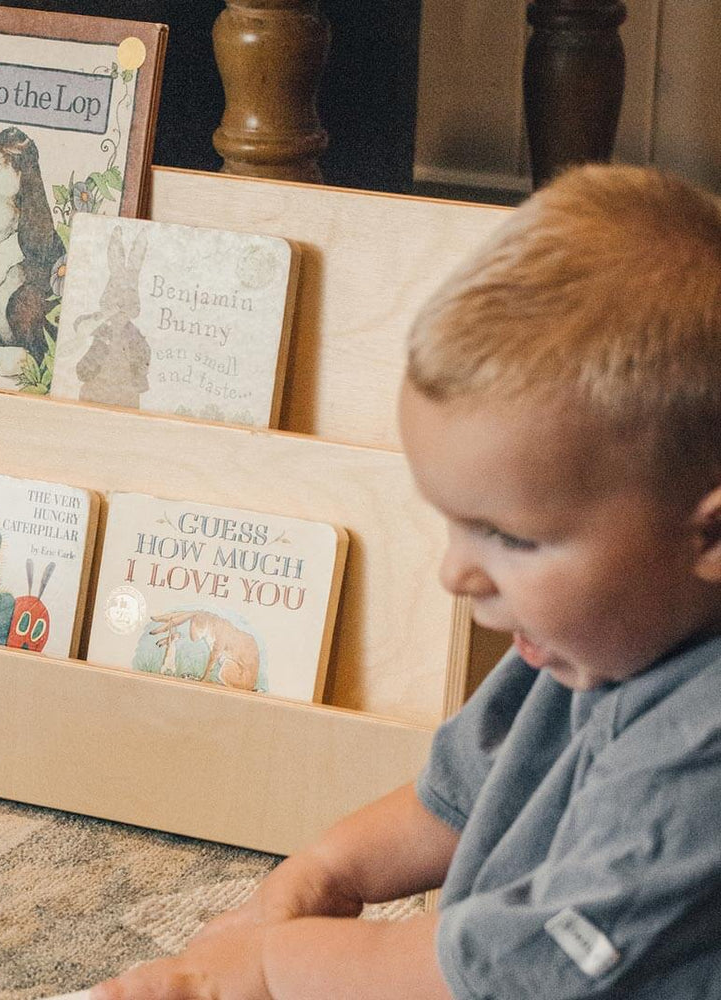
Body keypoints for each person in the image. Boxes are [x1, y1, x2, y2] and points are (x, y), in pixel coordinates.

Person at [89, 164, 721, 999]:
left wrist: (274, 968)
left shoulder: (699, 751)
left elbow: (515, 969)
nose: (455, 572)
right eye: (454, 521)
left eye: (507, 537)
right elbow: (455, 800)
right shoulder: (586, 638)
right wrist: (320, 874)